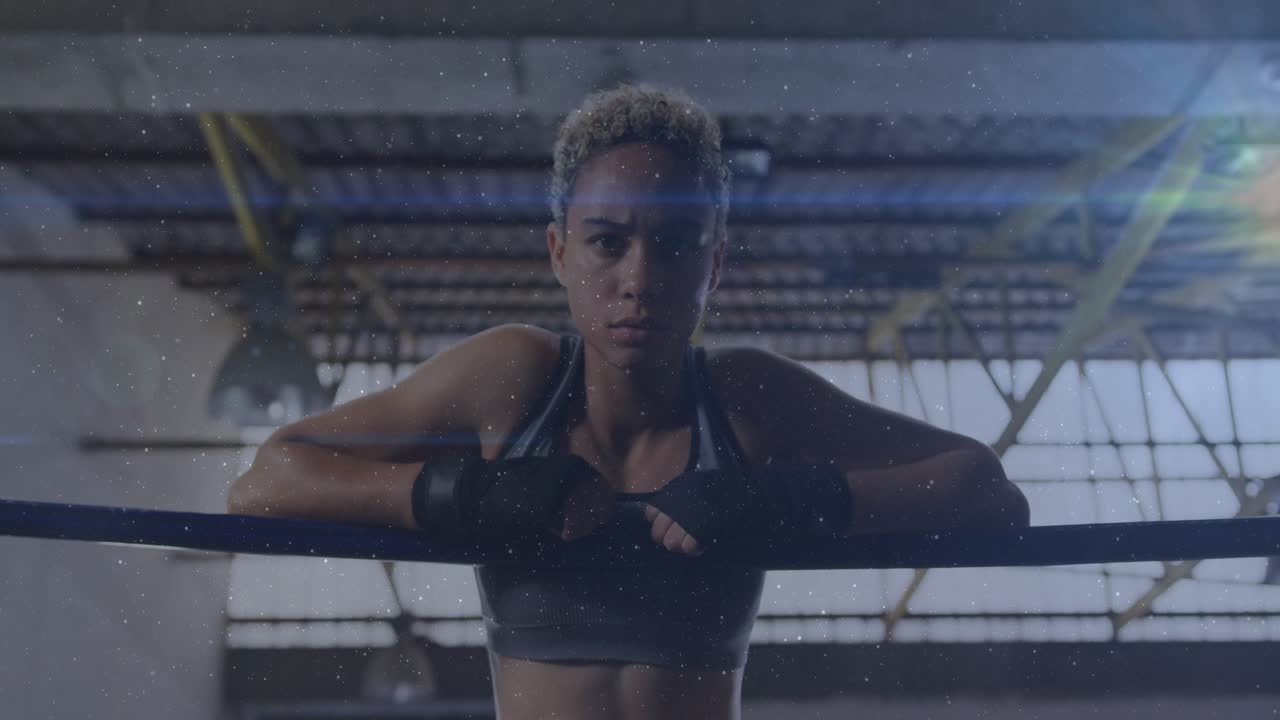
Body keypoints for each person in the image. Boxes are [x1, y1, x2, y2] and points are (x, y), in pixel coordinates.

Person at [227, 85, 1030, 720]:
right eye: (608, 242)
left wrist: (797, 499)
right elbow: (262, 484)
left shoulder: (747, 398)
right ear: (559, 252)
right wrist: (460, 493)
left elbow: (987, 491)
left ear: (714, 266)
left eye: (676, 245)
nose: (640, 281)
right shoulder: (511, 379)